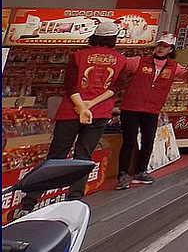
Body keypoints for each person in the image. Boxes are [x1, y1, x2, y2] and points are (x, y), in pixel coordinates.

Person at [15, 19, 128, 216]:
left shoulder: (78, 55)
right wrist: (91, 106)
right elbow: (115, 88)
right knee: (83, 156)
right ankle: (74, 199)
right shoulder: (121, 60)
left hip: (70, 111)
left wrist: (81, 106)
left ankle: (29, 202)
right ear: (113, 39)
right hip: (98, 113)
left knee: (56, 155)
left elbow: (70, 85)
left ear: (95, 36)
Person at [117, 32, 188, 190]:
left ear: (170, 49)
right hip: (130, 107)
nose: (161, 48)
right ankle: (123, 174)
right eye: (159, 45)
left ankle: (141, 171)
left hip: (152, 109)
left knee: (148, 141)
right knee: (129, 141)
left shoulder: (174, 67)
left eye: (165, 46)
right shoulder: (139, 61)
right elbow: (120, 65)